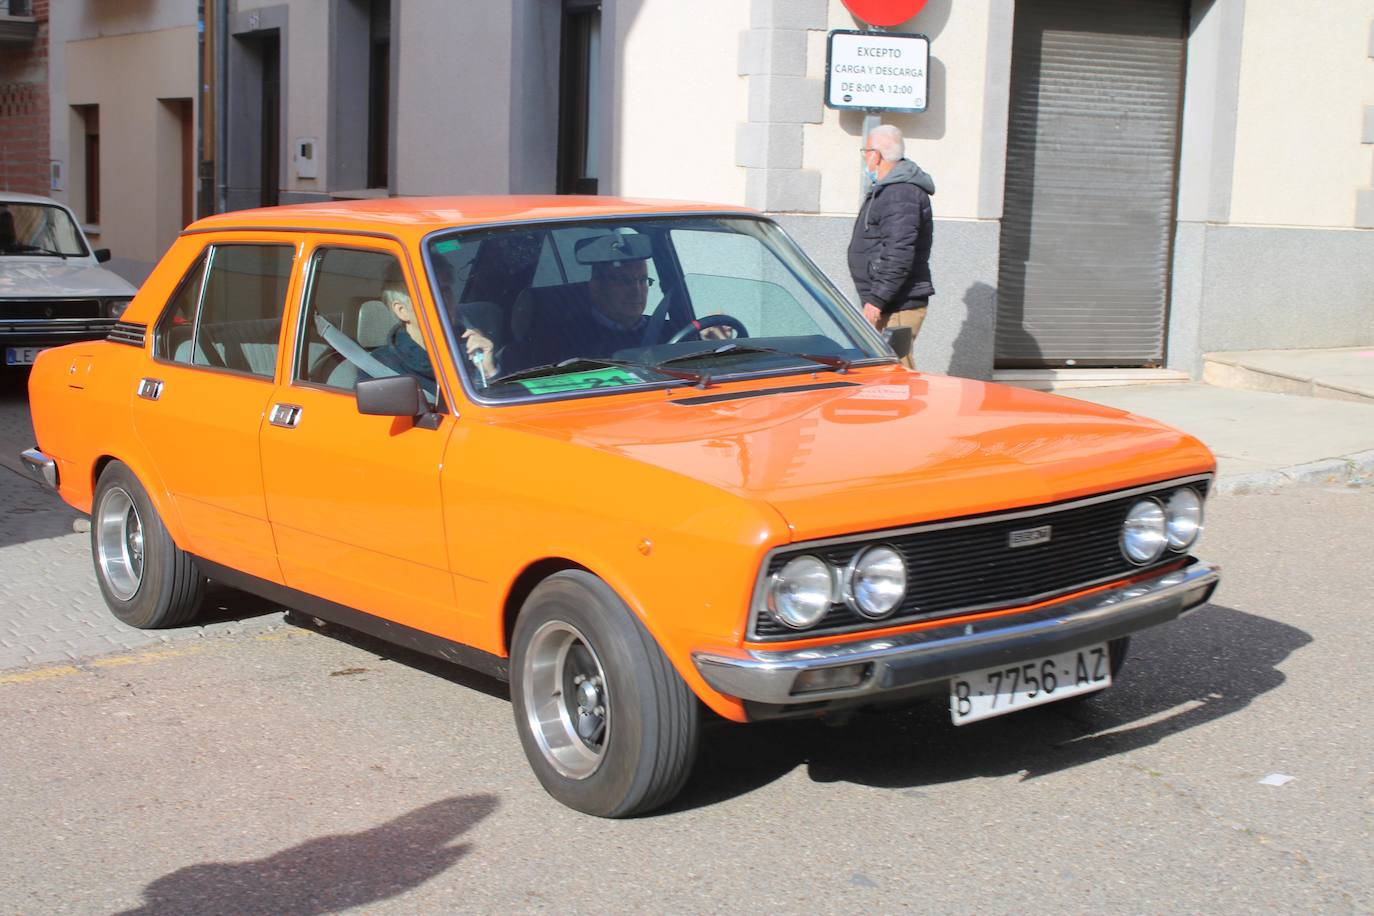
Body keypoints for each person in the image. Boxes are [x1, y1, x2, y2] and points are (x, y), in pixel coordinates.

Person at [847, 124, 935, 370]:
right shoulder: (890, 189)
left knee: (896, 374)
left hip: (897, 304)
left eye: (866, 151)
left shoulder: (900, 193)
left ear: (876, 155)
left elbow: (899, 253)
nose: (865, 157)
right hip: (889, 301)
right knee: (886, 373)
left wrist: (876, 299)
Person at [366, 264, 497, 395]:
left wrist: (489, 372)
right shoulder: (381, 366)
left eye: (446, 291)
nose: (443, 300)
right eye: (430, 294)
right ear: (402, 311)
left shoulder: (471, 346)